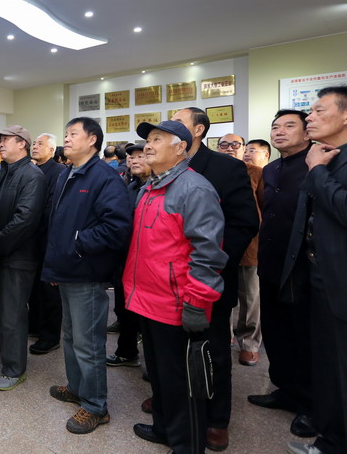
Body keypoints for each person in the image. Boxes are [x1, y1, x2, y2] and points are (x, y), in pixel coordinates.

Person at [283, 86, 347, 454]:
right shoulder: (322, 154)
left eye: (320, 110)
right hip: (319, 282)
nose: (310, 117)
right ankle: (331, 441)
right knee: (328, 370)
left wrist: (318, 171)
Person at [126, 120, 227, 454]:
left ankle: (187, 445)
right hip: (147, 298)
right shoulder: (150, 187)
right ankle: (164, 429)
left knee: (182, 383)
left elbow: (207, 252)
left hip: (176, 302)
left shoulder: (194, 188)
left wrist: (197, 302)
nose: (148, 145)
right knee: (159, 375)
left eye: (158, 139)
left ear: (181, 147)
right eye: (148, 139)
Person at [171, 108, 259, 451]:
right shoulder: (165, 164)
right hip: (168, 279)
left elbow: (244, 223)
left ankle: (217, 418)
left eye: (179, 121)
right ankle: (175, 401)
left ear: (198, 130)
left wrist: (212, 265)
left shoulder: (226, 167)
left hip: (208, 276)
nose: (171, 126)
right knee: (171, 346)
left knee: (213, 349)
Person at [43, 117, 132, 435]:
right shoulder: (67, 173)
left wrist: (77, 245)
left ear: (92, 140)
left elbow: (116, 227)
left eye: (73, 134)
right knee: (70, 336)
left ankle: (96, 407)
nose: (66, 139)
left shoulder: (104, 177)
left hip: (87, 272)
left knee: (88, 342)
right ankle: (77, 388)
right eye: (65, 134)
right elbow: (58, 224)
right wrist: (57, 263)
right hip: (67, 270)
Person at [248, 110, 316, 439]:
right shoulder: (272, 169)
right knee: (276, 331)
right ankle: (285, 390)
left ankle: (310, 405)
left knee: (304, 336)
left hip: (304, 267)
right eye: (275, 127)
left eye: (290, 126)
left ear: (307, 133)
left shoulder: (317, 165)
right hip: (271, 262)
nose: (280, 132)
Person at [0, 125, 46, 391]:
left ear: (22, 143)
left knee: (12, 315)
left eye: (6, 140)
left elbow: (25, 220)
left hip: (17, 257)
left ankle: (14, 369)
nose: (0, 144)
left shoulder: (32, 175)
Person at [218, 133, 265, 367]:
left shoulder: (256, 173)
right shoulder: (214, 171)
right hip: (219, 244)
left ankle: (249, 344)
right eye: (224, 144)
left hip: (250, 245)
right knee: (221, 293)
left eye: (235, 144)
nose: (229, 148)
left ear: (244, 148)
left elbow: (264, 207)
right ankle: (224, 334)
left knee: (250, 297)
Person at [107, 143, 150, 367]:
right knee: (125, 307)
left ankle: (152, 364)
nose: (133, 160)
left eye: (140, 156)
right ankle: (126, 352)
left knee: (147, 314)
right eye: (131, 157)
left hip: (148, 260)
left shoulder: (157, 186)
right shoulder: (130, 186)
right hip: (126, 256)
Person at [28, 133, 65, 355]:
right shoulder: (31, 169)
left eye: (40, 144)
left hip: (48, 238)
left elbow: (51, 208)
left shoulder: (58, 171)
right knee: (33, 288)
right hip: (30, 240)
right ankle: (34, 325)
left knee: (49, 291)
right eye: (34, 143)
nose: (35, 146)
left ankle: (50, 336)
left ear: (51, 150)